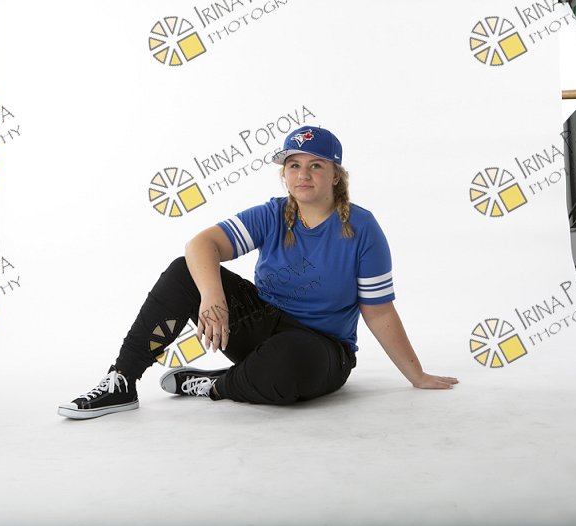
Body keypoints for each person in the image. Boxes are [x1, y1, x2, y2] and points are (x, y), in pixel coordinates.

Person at [58, 125, 459, 419]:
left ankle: (217, 384)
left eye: (316, 165)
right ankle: (122, 381)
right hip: (260, 327)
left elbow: (379, 310)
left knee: (287, 360)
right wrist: (212, 297)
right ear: (284, 173)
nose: (303, 174)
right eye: (293, 165)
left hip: (321, 349)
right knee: (185, 272)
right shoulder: (272, 214)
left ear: (336, 174)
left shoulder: (362, 228)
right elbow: (201, 245)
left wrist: (417, 375)